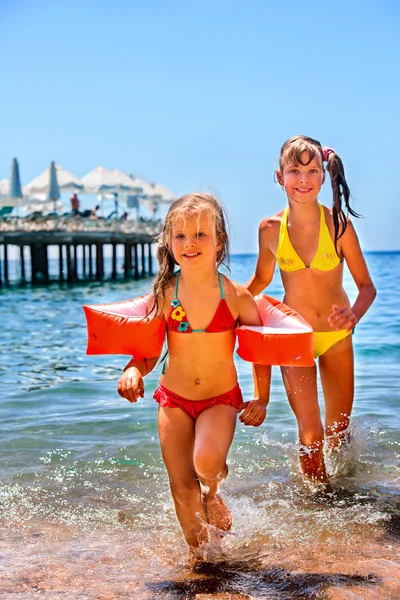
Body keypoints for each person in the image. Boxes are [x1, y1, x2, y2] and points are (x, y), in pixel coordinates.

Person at [117, 193, 270, 558]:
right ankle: (204, 561)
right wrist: (134, 369)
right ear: (169, 244)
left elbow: (258, 350)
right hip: (174, 400)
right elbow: (151, 349)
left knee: (205, 464)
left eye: (201, 235)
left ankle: (214, 491)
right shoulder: (166, 293)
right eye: (181, 236)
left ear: (219, 242)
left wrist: (261, 397)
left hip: (220, 399)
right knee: (181, 487)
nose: (190, 243)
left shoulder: (235, 297)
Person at [246, 135, 376, 485]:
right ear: (279, 177)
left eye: (312, 170)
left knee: (338, 433)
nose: (303, 178)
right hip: (294, 339)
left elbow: (366, 287)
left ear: (323, 176)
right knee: (309, 434)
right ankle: (316, 501)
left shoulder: (339, 226)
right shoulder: (270, 229)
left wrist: (355, 315)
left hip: (336, 336)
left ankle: (345, 495)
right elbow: (260, 280)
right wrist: (223, 303)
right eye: (294, 170)